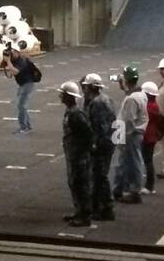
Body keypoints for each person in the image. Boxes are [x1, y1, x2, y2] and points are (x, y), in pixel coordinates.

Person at [81, 73, 117, 221]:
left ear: (90, 87)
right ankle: (97, 207)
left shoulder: (97, 103)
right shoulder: (105, 99)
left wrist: (94, 145)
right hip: (108, 142)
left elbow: (99, 127)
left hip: (102, 144)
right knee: (98, 176)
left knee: (100, 176)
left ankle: (107, 208)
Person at [59, 81, 95, 228]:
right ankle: (78, 211)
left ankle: (85, 216)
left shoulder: (76, 114)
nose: (60, 96)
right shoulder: (70, 112)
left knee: (81, 185)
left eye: (62, 93)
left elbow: (88, 134)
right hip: (72, 153)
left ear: (68, 96)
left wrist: (82, 151)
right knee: (74, 183)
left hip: (79, 155)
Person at [114, 80, 149, 203]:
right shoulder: (141, 94)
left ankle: (132, 190)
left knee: (129, 162)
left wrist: (123, 136)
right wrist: (123, 87)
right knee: (128, 161)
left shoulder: (131, 99)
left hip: (127, 132)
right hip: (131, 131)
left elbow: (128, 120)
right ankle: (125, 188)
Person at [3, 48, 39, 133]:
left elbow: (15, 72)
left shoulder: (22, 61)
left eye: (12, 53)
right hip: (22, 84)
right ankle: (27, 125)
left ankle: (24, 127)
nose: (11, 54)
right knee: (22, 106)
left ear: (17, 52)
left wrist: (8, 61)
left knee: (21, 105)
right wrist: (6, 61)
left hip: (27, 84)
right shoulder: (14, 60)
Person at [143, 82, 164, 194]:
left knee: (147, 161)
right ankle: (149, 186)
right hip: (152, 136)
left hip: (147, 136)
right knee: (148, 160)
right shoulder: (155, 105)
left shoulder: (148, 107)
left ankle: (149, 186)